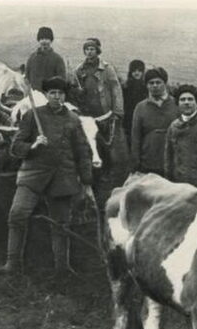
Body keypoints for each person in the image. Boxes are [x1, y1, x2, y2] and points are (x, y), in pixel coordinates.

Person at [0, 76, 94, 276]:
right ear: (47, 95)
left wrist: (87, 182)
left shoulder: (74, 120)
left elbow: (83, 153)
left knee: (61, 225)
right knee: (17, 215)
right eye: (52, 93)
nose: (57, 97)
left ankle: (62, 268)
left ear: (65, 96)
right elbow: (15, 147)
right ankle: (12, 264)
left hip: (63, 178)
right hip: (33, 175)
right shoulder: (32, 116)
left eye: (60, 93)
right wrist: (33, 145)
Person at [70, 37, 127, 207]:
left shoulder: (107, 69)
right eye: (86, 49)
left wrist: (118, 111)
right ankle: (92, 183)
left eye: (92, 49)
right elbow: (75, 92)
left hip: (105, 116)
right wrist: (77, 94)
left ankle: (111, 182)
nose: (89, 52)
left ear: (98, 51)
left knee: (111, 149)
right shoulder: (78, 71)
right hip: (88, 118)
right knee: (91, 149)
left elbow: (116, 89)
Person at [129, 67, 178, 176]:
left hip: (173, 162)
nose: (155, 85)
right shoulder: (140, 107)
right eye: (151, 83)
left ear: (165, 83)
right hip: (148, 162)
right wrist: (136, 163)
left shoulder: (176, 104)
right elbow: (136, 137)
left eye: (158, 82)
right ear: (147, 85)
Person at [25, 26, 66, 91]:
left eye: (47, 39)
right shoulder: (32, 58)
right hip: (34, 95)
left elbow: (62, 80)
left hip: (50, 95)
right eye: (41, 38)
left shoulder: (57, 59)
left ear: (51, 40)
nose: (44, 41)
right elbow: (27, 78)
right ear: (38, 40)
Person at [122, 59, 146, 145]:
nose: (137, 73)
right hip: (129, 118)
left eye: (139, 70)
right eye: (134, 70)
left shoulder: (146, 87)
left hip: (142, 117)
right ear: (130, 72)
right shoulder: (126, 87)